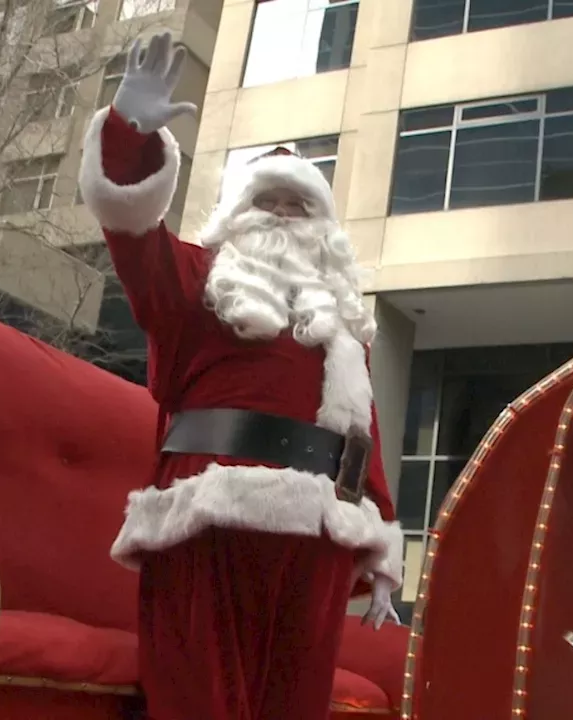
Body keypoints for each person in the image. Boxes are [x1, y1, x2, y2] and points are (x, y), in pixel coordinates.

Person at [76, 32, 403, 720]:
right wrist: (129, 133)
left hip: (316, 537)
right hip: (207, 514)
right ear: (236, 216)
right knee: (199, 696)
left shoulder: (343, 322)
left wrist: (381, 551)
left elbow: (360, 439)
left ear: (324, 228)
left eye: (298, 206)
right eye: (268, 203)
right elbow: (133, 238)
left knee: (294, 702)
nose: (283, 217)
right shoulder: (197, 278)